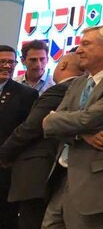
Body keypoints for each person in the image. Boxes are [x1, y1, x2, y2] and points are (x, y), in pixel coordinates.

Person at [41, 26, 103, 229]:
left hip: (94, 183)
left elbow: (87, 119)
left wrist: (64, 122)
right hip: (61, 176)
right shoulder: (78, 83)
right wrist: (81, 135)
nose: (79, 50)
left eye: (86, 44)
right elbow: (49, 124)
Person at [0, 51, 83, 229]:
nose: (7, 66)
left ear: (62, 65)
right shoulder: (78, 90)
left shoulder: (57, 90)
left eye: (10, 62)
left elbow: (31, 127)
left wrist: (3, 154)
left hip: (33, 173)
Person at [0, 45, 39, 229]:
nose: (7, 66)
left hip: (6, 169)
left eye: (11, 62)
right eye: (2, 62)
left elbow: (28, 132)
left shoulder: (26, 94)